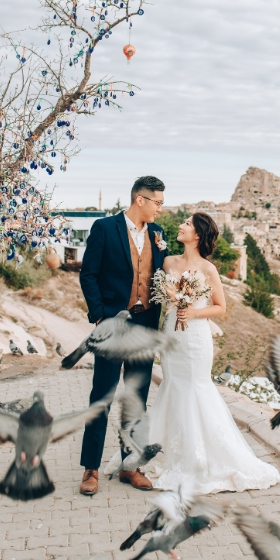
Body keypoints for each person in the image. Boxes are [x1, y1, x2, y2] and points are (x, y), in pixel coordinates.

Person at [136, 212, 280, 493]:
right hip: (171, 333)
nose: (181, 226)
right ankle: (166, 451)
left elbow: (220, 307)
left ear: (198, 235)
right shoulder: (167, 262)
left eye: (187, 224)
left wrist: (193, 311)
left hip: (196, 337)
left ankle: (199, 458)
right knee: (173, 386)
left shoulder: (208, 269)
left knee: (196, 388)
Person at [77, 175, 169, 496]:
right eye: (157, 202)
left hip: (145, 326)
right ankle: (91, 468)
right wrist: (100, 315)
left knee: (138, 398)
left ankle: (132, 465)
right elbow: (88, 275)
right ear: (140, 200)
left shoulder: (158, 234)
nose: (161, 208)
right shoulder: (104, 228)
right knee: (101, 395)